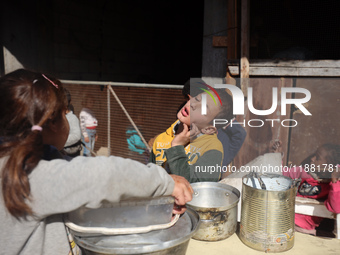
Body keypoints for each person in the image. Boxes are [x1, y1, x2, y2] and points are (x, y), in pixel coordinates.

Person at [0, 69, 193, 255]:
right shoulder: (31, 177)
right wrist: (165, 182)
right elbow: (105, 176)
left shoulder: (24, 159)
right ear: (53, 123)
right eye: (66, 113)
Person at [149, 88, 234, 183]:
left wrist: (177, 147)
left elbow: (198, 188)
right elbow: (150, 178)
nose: (193, 105)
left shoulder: (212, 147)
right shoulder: (161, 138)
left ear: (208, 129)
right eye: (197, 99)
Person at [273, 141, 340, 235]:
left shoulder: (331, 185)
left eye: (317, 157)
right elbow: (281, 173)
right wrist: (277, 156)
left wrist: (335, 181)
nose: (312, 159)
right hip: (284, 218)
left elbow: (336, 208)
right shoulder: (305, 171)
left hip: (303, 229)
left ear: (329, 166)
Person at [63, 88, 82, 158]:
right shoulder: (58, 118)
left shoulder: (72, 118)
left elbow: (76, 135)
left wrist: (61, 142)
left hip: (70, 155)